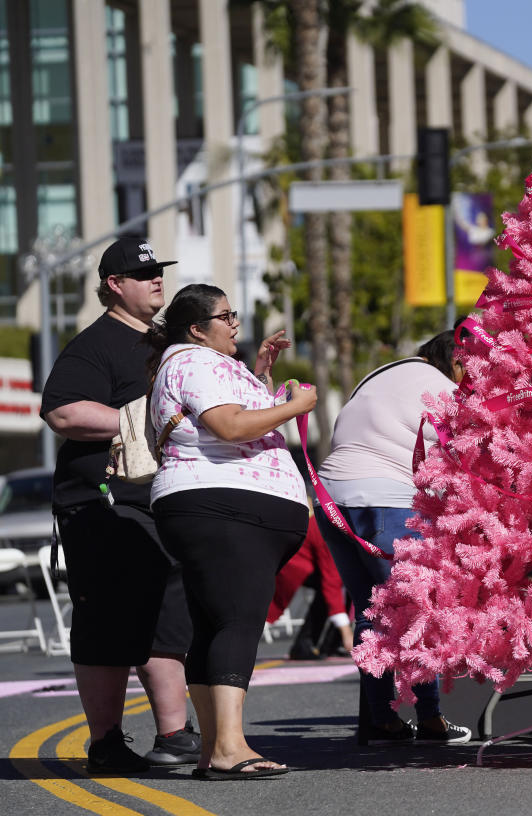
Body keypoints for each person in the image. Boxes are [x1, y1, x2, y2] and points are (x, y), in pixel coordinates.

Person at [39, 235, 199, 774]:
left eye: (160, 271)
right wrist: (143, 422)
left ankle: (175, 736)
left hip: (158, 504)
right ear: (115, 285)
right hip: (100, 505)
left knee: (167, 618)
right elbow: (61, 412)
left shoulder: (164, 343)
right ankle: (105, 744)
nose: (158, 279)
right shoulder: (96, 344)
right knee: (108, 623)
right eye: (144, 273)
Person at [147, 284, 316, 779]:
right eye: (226, 316)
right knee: (238, 621)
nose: (236, 324)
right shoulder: (194, 362)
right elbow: (230, 427)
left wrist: (262, 374)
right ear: (197, 329)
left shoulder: (202, 363)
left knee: (213, 624)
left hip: (217, 506)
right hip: (224, 508)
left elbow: (236, 413)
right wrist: (296, 406)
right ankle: (229, 747)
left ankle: (214, 749)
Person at [315, 329, 472, 746]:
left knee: (371, 609)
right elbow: (466, 460)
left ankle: (378, 719)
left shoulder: (383, 372)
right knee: (417, 608)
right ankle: (430, 717)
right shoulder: (443, 389)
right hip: (387, 498)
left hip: (332, 497)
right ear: (457, 362)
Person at [267, 512, 353, 660]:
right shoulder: (327, 526)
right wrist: (347, 633)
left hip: (316, 567)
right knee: (327, 595)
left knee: (347, 586)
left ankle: (331, 644)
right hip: (296, 568)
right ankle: (304, 645)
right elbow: (331, 583)